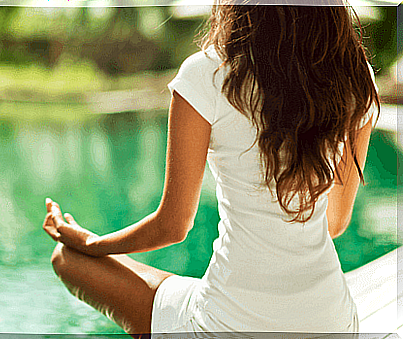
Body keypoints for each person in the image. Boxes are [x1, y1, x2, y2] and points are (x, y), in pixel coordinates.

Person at [42, 2, 380, 338]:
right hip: (331, 322)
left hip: (227, 324)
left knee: (66, 258)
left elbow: (173, 228)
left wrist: (92, 242)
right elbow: (334, 223)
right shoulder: (355, 75)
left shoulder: (207, 74)